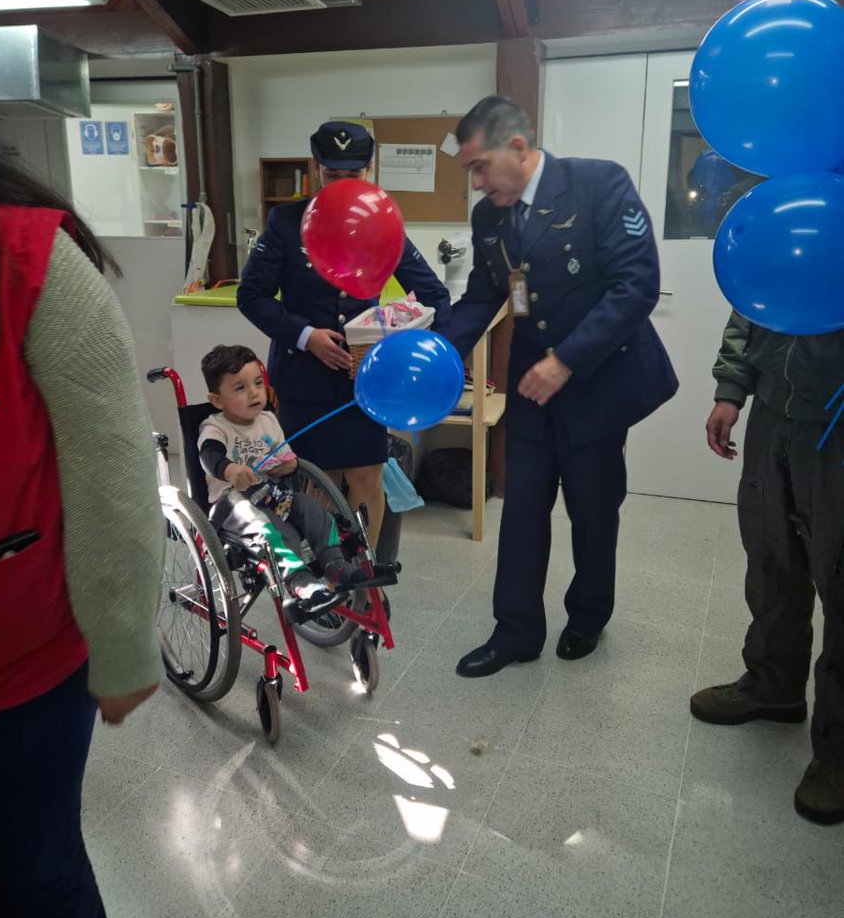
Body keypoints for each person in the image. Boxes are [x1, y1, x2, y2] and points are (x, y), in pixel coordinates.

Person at [0, 42, 164, 918]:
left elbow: (114, 469)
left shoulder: (26, 253)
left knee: (30, 881)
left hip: (14, 658)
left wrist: (122, 649)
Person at [437, 95, 677, 677]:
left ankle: (589, 615)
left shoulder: (598, 185)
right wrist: (435, 350)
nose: (474, 183)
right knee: (521, 508)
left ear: (517, 148)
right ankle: (516, 631)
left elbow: (636, 285)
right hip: (530, 388)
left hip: (596, 381)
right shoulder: (489, 217)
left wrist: (566, 360)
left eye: (478, 166)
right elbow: (484, 296)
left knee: (593, 509)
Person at [237, 121, 451, 548]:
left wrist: (402, 335)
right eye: (333, 175)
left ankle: (362, 577)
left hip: (365, 382)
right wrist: (305, 335)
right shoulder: (285, 221)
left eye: (353, 176)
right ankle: (325, 575)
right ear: (316, 169)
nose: (343, 185)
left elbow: (434, 296)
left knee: (368, 476)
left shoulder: (380, 221)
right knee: (317, 481)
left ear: (368, 170)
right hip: (303, 379)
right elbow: (251, 295)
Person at [691, 311, 844, 825]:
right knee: (770, 555)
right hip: (775, 412)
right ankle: (774, 685)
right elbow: (750, 303)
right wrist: (731, 389)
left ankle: (839, 752)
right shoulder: (782, 228)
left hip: (837, 417)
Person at [198, 344, 371, 614]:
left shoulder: (268, 420)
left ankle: (334, 563)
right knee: (277, 531)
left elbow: (288, 460)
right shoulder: (215, 426)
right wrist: (230, 470)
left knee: (312, 509)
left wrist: (287, 466)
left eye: (257, 383)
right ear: (218, 400)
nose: (254, 392)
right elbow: (208, 455)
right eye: (240, 388)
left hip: (272, 494)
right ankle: (298, 580)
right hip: (233, 504)